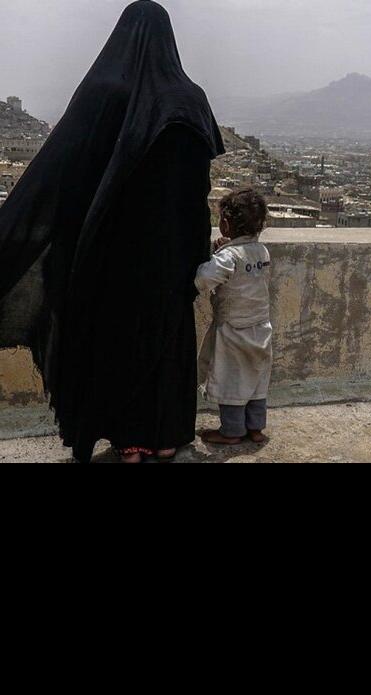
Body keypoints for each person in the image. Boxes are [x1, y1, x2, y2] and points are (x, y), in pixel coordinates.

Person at [0, 1, 225, 463]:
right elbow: (198, 183)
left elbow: (63, 169)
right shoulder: (191, 97)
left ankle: (130, 440)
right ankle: (167, 435)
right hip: (175, 249)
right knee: (168, 336)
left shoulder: (106, 90)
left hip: (113, 248)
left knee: (117, 337)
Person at [196, 189, 273, 446]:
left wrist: (216, 254)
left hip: (233, 330)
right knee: (256, 378)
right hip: (261, 327)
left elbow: (204, 279)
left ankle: (231, 432)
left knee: (231, 379)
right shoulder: (262, 252)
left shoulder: (228, 257)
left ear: (226, 225)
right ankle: (255, 428)